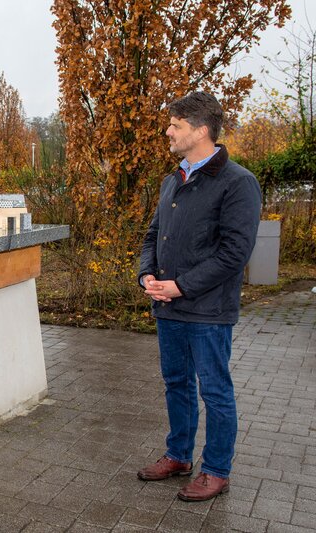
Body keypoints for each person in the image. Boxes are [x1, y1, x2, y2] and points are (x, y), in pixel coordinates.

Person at [137, 92, 261, 501]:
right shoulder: (172, 179)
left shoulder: (238, 182)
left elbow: (234, 252)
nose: (167, 131)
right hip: (168, 305)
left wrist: (182, 285)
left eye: (176, 125)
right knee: (176, 384)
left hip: (207, 311)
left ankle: (217, 470)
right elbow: (154, 235)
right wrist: (147, 275)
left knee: (215, 390)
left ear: (202, 130)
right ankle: (178, 455)